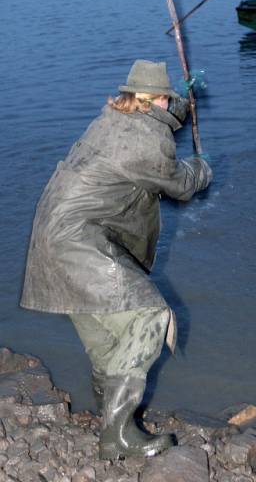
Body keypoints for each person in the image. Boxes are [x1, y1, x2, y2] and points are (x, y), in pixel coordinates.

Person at [21, 60, 212, 461]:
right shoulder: (144, 139)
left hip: (53, 236)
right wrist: (202, 169)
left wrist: (180, 109)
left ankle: (108, 416)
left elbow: (151, 136)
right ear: (154, 99)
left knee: (106, 332)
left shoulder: (112, 119)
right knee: (148, 315)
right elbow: (178, 184)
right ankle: (120, 434)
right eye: (168, 99)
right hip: (78, 242)